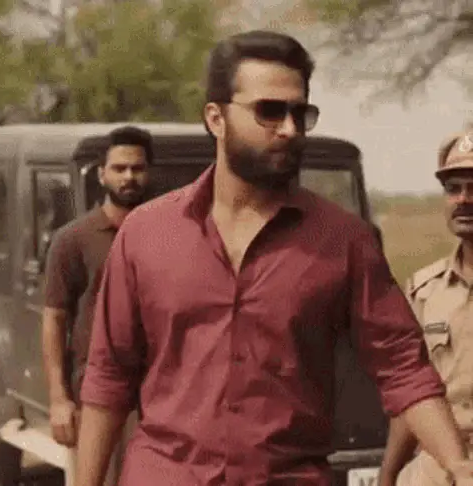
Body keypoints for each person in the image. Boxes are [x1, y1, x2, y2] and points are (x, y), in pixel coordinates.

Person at [74, 30, 473, 486]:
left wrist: (458, 465)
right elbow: (109, 377)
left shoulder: (344, 241)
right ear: (216, 118)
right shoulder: (146, 234)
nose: (289, 129)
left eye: (300, 113)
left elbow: (403, 367)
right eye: (269, 111)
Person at [42, 126, 152, 483]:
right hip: (94, 395)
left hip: (155, 395)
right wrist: (59, 399)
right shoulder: (73, 240)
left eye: (137, 168)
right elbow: (54, 320)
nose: (129, 176)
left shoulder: (164, 236)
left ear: (150, 173)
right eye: (119, 168)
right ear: (102, 174)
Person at [379, 130, 473, 486]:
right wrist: (388, 475)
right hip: (436, 473)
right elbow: (413, 392)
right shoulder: (425, 290)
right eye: (453, 189)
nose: (464, 199)